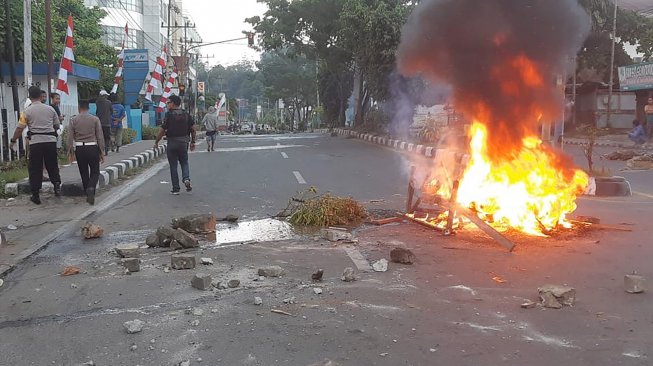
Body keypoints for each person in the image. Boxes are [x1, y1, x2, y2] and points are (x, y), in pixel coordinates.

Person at [9, 86, 62, 204]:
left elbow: (19, 129)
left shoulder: (26, 111)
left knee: (35, 168)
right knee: (52, 165)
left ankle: (36, 194)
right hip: (50, 141)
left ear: (29, 96)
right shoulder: (50, 109)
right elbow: (57, 125)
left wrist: (13, 141)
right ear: (40, 96)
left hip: (36, 142)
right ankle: (57, 185)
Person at [154, 95, 196, 195]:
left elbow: (162, 130)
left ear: (173, 103)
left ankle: (176, 188)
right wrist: (193, 142)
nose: (167, 104)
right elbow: (193, 129)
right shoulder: (186, 114)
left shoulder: (169, 115)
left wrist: (156, 141)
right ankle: (186, 178)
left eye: (168, 103)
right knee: (184, 162)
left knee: (173, 165)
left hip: (172, 142)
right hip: (183, 143)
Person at [67, 100, 105, 205]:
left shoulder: (73, 120)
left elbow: (70, 137)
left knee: (83, 172)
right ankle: (91, 188)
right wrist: (102, 151)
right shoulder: (95, 119)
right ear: (88, 108)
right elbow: (100, 137)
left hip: (79, 148)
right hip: (92, 147)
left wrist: (70, 151)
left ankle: (87, 192)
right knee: (95, 171)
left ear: (79, 108)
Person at [95, 90, 113, 156]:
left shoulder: (97, 102)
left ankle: (100, 149)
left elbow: (97, 112)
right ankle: (106, 149)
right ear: (104, 96)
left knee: (99, 137)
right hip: (107, 123)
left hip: (99, 123)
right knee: (107, 137)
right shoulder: (109, 102)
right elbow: (111, 111)